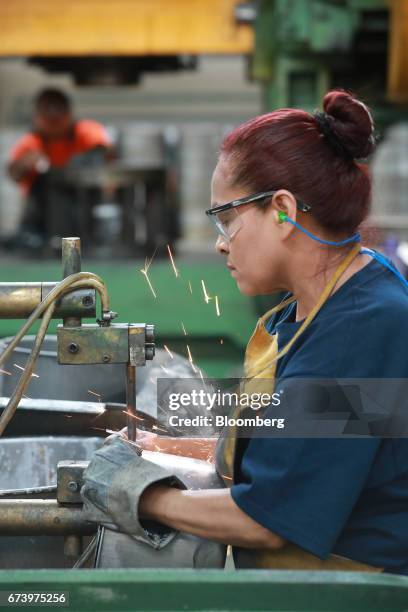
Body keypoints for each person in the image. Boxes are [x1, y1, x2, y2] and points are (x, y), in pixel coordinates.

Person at [82, 90, 408, 575]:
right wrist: (156, 448)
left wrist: (141, 495)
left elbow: (271, 518)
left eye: (227, 219)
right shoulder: (311, 312)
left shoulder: (362, 328)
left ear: (282, 210)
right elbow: (289, 446)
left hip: (355, 597)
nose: (219, 242)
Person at [7, 88, 113, 250]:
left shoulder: (85, 132)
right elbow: (13, 172)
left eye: (58, 115)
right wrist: (23, 164)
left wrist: (82, 162)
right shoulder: (32, 142)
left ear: (68, 113)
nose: (53, 122)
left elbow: (106, 151)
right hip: (43, 221)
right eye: (47, 116)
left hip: (85, 211)